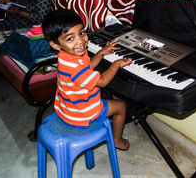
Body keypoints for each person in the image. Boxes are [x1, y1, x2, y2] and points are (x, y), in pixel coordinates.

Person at [41, 9, 132, 150]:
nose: (80, 41)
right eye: (70, 38)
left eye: (82, 33)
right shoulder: (74, 66)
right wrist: (116, 64)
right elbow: (102, 81)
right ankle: (117, 140)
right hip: (81, 113)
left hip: (67, 108)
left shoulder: (66, 56)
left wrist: (101, 52)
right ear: (55, 45)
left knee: (109, 98)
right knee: (121, 106)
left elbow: (88, 66)